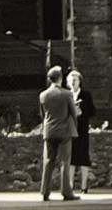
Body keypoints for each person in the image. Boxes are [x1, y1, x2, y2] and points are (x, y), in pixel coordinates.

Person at [39, 65, 80, 202]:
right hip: (64, 132)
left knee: (48, 161)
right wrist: (75, 125)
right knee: (65, 162)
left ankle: (45, 191)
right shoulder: (66, 94)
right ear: (61, 78)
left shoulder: (43, 95)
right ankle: (66, 192)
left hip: (49, 131)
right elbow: (73, 112)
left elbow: (42, 114)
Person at [66, 70, 96, 194]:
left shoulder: (86, 95)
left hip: (82, 129)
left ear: (80, 82)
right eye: (71, 80)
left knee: (83, 156)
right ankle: (70, 185)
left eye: (76, 80)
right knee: (71, 157)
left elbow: (93, 112)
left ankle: (84, 185)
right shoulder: (67, 95)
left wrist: (82, 113)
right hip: (70, 129)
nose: (73, 82)